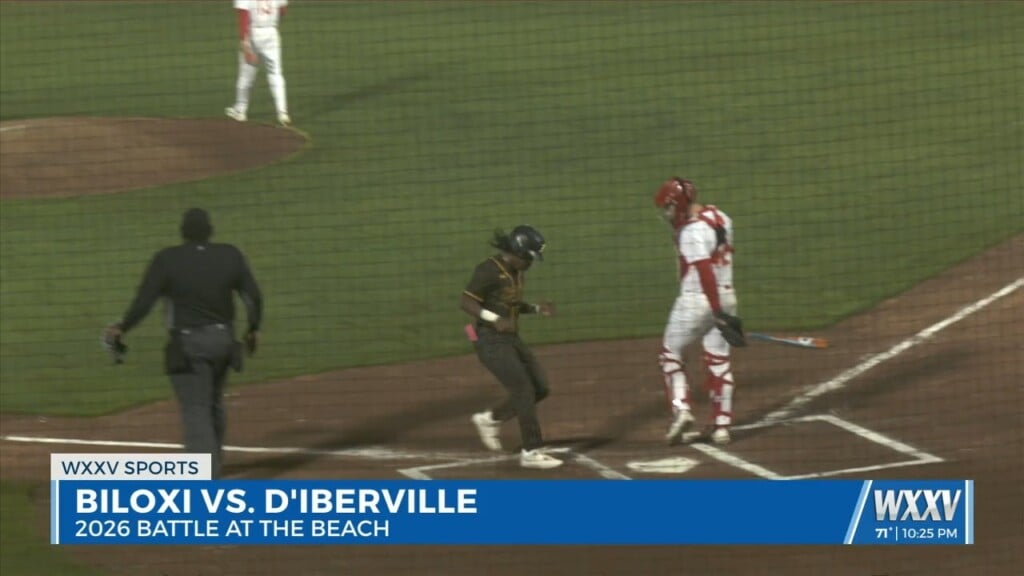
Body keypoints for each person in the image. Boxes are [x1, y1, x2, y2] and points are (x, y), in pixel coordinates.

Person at [103, 208, 262, 478]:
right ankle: (214, 466)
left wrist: (122, 327)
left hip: (189, 345)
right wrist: (253, 329)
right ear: (210, 231)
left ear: (183, 233)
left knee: (195, 408)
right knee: (213, 402)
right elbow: (253, 297)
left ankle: (202, 478)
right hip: (224, 341)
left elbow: (145, 301)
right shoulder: (230, 254)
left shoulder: (167, 259)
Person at [460, 226, 563, 469]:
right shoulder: (488, 270)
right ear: (517, 251)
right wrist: (495, 319)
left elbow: (510, 303)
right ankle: (531, 451)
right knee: (523, 390)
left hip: (510, 339)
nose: (531, 262)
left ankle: (490, 419)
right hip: (489, 340)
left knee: (540, 387)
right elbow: (466, 302)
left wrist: (536, 309)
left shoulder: (516, 272)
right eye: (529, 257)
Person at [654, 177, 741, 445]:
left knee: (671, 354)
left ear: (678, 204)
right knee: (719, 360)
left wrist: (713, 310)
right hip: (728, 296)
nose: (666, 213)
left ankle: (681, 409)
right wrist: (722, 311)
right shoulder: (721, 217)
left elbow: (704, 271)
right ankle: (722, 426)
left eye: (668, 207)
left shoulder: (691, 233)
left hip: (697, 301)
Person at [225, 0, 291, 126]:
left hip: (253, 33)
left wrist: (244, 41)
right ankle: (282, 112)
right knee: (275, 73)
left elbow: (243, 16)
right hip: (272, 33)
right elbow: (283, 11)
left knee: (246, 74)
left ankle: (240, 110)